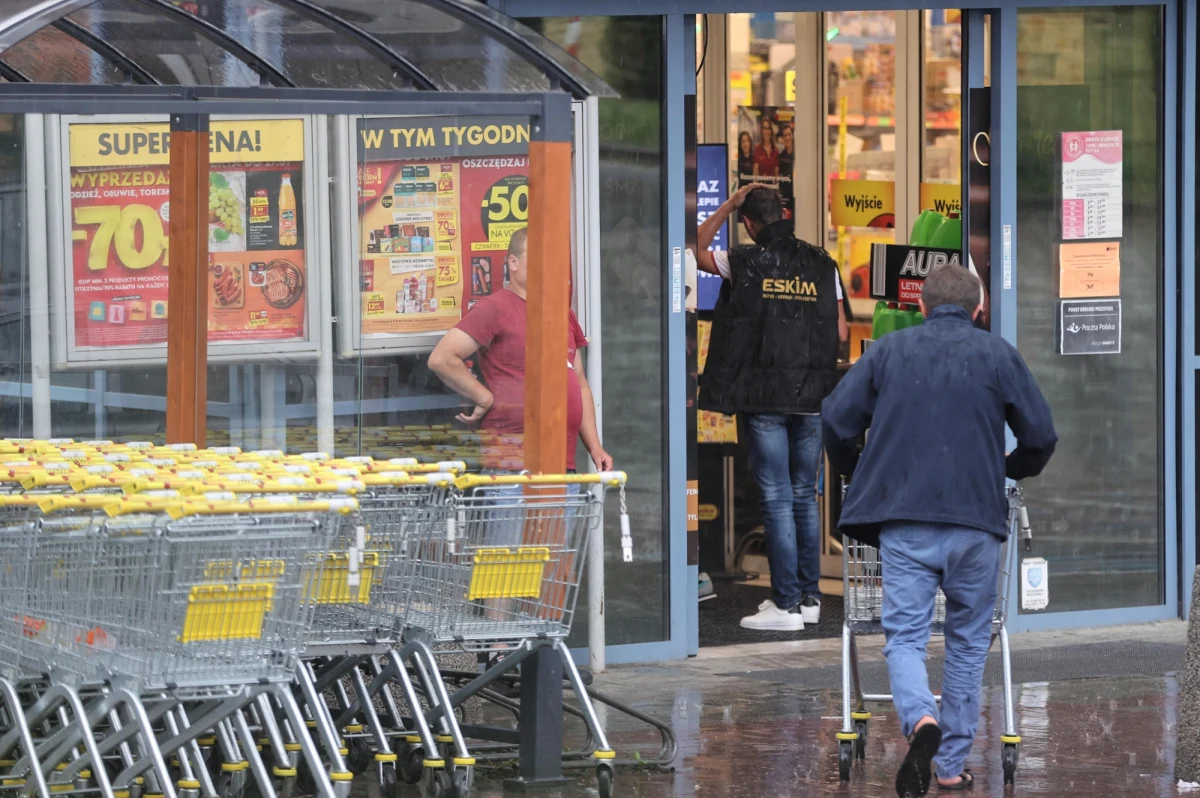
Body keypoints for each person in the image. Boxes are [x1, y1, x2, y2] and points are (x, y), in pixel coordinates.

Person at [821, 265, 1057, 797]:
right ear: (979, 310)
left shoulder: (889, 351)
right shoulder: (998, 355)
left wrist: (857, 468)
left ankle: (920, 718)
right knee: (968, 644)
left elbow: (835, 417)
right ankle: (949, 766)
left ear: (922, 307)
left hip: (905, 521)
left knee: (905, 637)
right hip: (976, 523)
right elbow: (1042, 436)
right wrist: (1007, 469)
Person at [695, 184, 847, 632]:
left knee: (778, 498)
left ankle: (785, 606)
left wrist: (727, 203)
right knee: (803, 497)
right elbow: (840, 329)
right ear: (784, 215)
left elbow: (693, 249)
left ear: (748, 223)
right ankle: (809, 599)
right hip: (812, 397)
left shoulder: (742, 261)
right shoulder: (823, 262)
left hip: (764, 398)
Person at [428, 226, 612, 474]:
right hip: (511, 466)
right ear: (513, 263)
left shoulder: (563, 315)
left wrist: (595, 447)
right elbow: (442, 358)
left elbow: (580, 385)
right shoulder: (494, 308)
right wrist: (483, 397)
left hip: (561, 462)